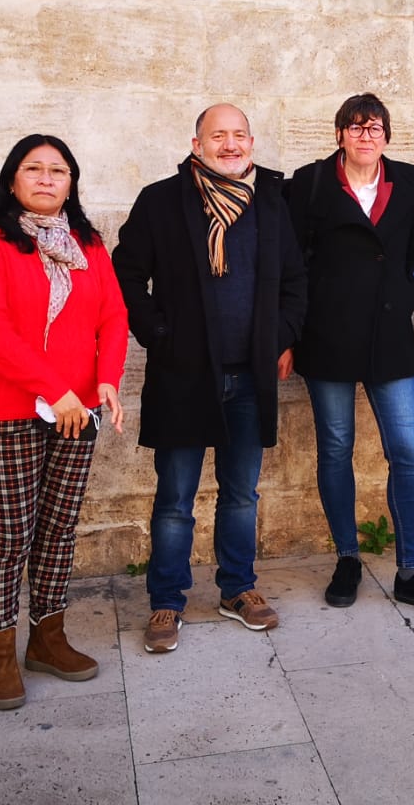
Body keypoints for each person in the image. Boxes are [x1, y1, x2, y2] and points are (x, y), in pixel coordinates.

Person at [113, 103, 307, 653]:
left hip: (250, 376)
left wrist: (282, 337)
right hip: (183, 372)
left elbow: (296, 281)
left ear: (252, 142)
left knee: (241, 493)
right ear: (196, 144)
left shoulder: (272, 202)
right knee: (175, 496)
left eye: (239, 134)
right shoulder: (161, 201)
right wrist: (157, 331)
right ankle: (167, 600)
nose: (229, 144)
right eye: (217, 135)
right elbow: (125, 272)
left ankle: (236, 589)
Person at [0, 134, 128, 711]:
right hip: (11, 409)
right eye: (35, 169)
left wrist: (107, 378)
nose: (48, 179)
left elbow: (112, 314)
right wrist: (56, 392)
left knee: (58, 529)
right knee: (10, 535)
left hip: (79, 411)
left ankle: (47, 639)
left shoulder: (88, 243)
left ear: (72, 182)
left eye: (59, 170)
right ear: (13, 179)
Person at [286, 93, 414, 617]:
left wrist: (411, 291)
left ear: (387, 135)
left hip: (388, 338)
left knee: (408, 451)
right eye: (357, 127)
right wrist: (292, 331)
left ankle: (411, 570)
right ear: (340, 133)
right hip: (328, 337)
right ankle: (347, 558)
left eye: (376, 127)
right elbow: (292, 260)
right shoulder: (312, 182)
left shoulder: (404, 179)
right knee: (336, 449)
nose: (367, 135)